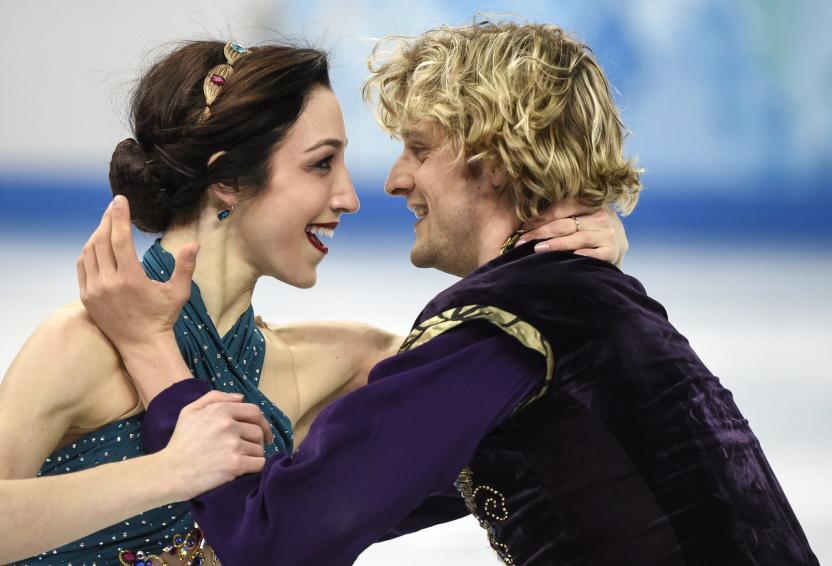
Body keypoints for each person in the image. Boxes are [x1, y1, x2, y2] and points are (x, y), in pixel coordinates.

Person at [79, 22, 819, 566]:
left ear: (495, 162)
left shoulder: (502, 326)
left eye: (421, 149)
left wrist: (151, 355)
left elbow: (278, 542)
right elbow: (369, 495)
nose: (395, 180)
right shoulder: (586, 302)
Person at [0, 40, 627, 565]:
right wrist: (171, 469)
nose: (349, 196)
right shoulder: (84, 342)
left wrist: (582, 248)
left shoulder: (340, 361)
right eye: (321, 164)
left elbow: (527, 379)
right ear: (229, 181)